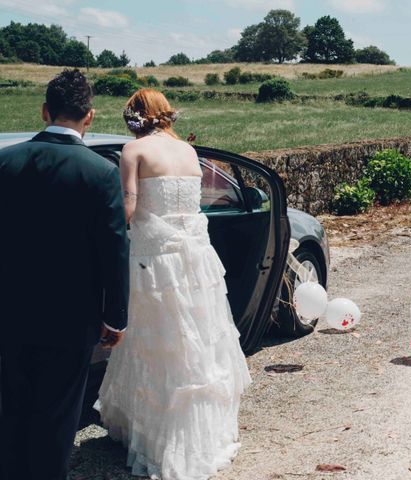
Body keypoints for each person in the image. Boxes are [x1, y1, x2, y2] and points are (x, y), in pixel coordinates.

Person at [96, 88, 251, 480]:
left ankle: (161, 438)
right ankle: (199, 434)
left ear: (134, 118)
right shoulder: (188, 153)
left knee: (158, 342)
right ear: (166, 114)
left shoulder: (134, 151)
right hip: (195, 260)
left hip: (154, 260)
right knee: (195, 342)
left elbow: (128, 207)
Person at [0, 69, 130, 480]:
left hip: (9, 313)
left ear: (44, 111)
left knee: (11, 411)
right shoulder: (99, 172)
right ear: (88, 117)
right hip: (70, 319)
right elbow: (115, 250)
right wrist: (115, 317)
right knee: (56, 420)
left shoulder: (5, 162)